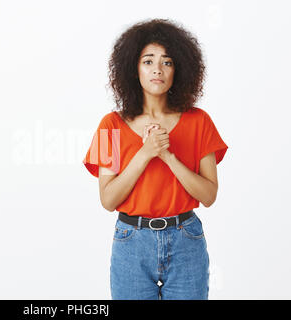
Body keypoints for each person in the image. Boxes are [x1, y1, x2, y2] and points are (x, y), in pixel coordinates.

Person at [83, 18, 228, 300]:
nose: (157, 70)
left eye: (167, 62)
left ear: (179, 69)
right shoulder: (109, 125)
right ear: (133, 68)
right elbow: (108, 200)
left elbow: (209, 195)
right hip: (130, 244)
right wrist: (146, 153)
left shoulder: (199, 121)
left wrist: (167, 156)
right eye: (148, 61)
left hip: (186, 240)